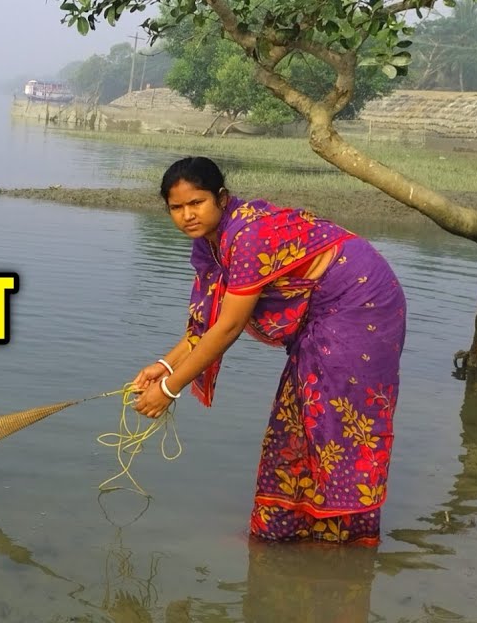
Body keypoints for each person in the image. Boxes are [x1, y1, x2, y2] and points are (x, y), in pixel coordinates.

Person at [132, 156, 407, 546]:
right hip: (321, 309)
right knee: (296, 416)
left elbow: (227, 328)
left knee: (337, 420)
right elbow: (209, 321)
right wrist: (163, 365)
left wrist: (169, 389)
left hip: (359, 303)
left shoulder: (248, 237)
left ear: (221, 198)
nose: (187, 215)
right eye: (176, 207)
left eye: (197, 203)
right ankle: (287, 531)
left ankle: (345, 537)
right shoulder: (208, 246)